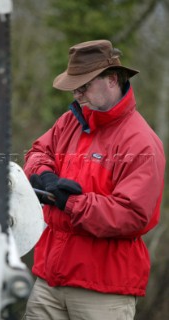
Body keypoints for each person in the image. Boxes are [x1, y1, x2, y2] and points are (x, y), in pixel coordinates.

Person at [23, 40, 165, 320]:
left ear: (112, 79)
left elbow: (133, 214)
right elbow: (38, 152)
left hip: (103, 292)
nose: (77, 93)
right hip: (49, 282)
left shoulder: (141, 143)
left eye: (83, 86)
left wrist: (70, 203)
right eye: (74, 86)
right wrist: (45, 176)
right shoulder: (70, 121)